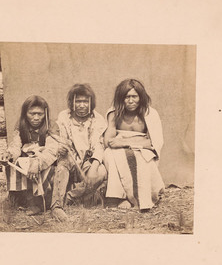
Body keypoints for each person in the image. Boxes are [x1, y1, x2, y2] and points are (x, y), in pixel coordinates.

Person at [103, 78, 165, 211]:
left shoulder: (149, 114)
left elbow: (153, 142)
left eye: (134, 97)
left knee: (141, 158)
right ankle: (121, 197)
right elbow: (109, 140)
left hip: (141, 149)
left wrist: (125, 142)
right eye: (126, 97)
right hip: (117, 149)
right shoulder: (114, 113)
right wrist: (120, 144)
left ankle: (143, 199)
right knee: (111, 155)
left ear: (141, 97)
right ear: (120, 98)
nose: (130, 101)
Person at [50, 84, 107, 222]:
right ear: (72, 102)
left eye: (85, 101)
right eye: (78, 101)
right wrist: (61, 147)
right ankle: (57, 207)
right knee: (63, 165)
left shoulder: (98, 120)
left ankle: (69, 198)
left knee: (102, 171)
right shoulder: (64, 117)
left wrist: (93, 169)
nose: (82, 105)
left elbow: (99, 146)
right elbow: (61, 139)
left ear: (91, 102)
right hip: (70, 159)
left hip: (87, 163)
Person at [0, 95, 58, 215]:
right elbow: (16, 145)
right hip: (27, 157)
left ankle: (39, 203)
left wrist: (37, 163)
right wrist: (8, 154)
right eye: (32, 114)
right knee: (14, 163)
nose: (36, 118)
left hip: (44, 159)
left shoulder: (50, 125)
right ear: (25, 113)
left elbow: (52, 150)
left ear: (45, 114)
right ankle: (21, 199)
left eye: (40, 114)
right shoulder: (21, 125)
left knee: (44, 168)